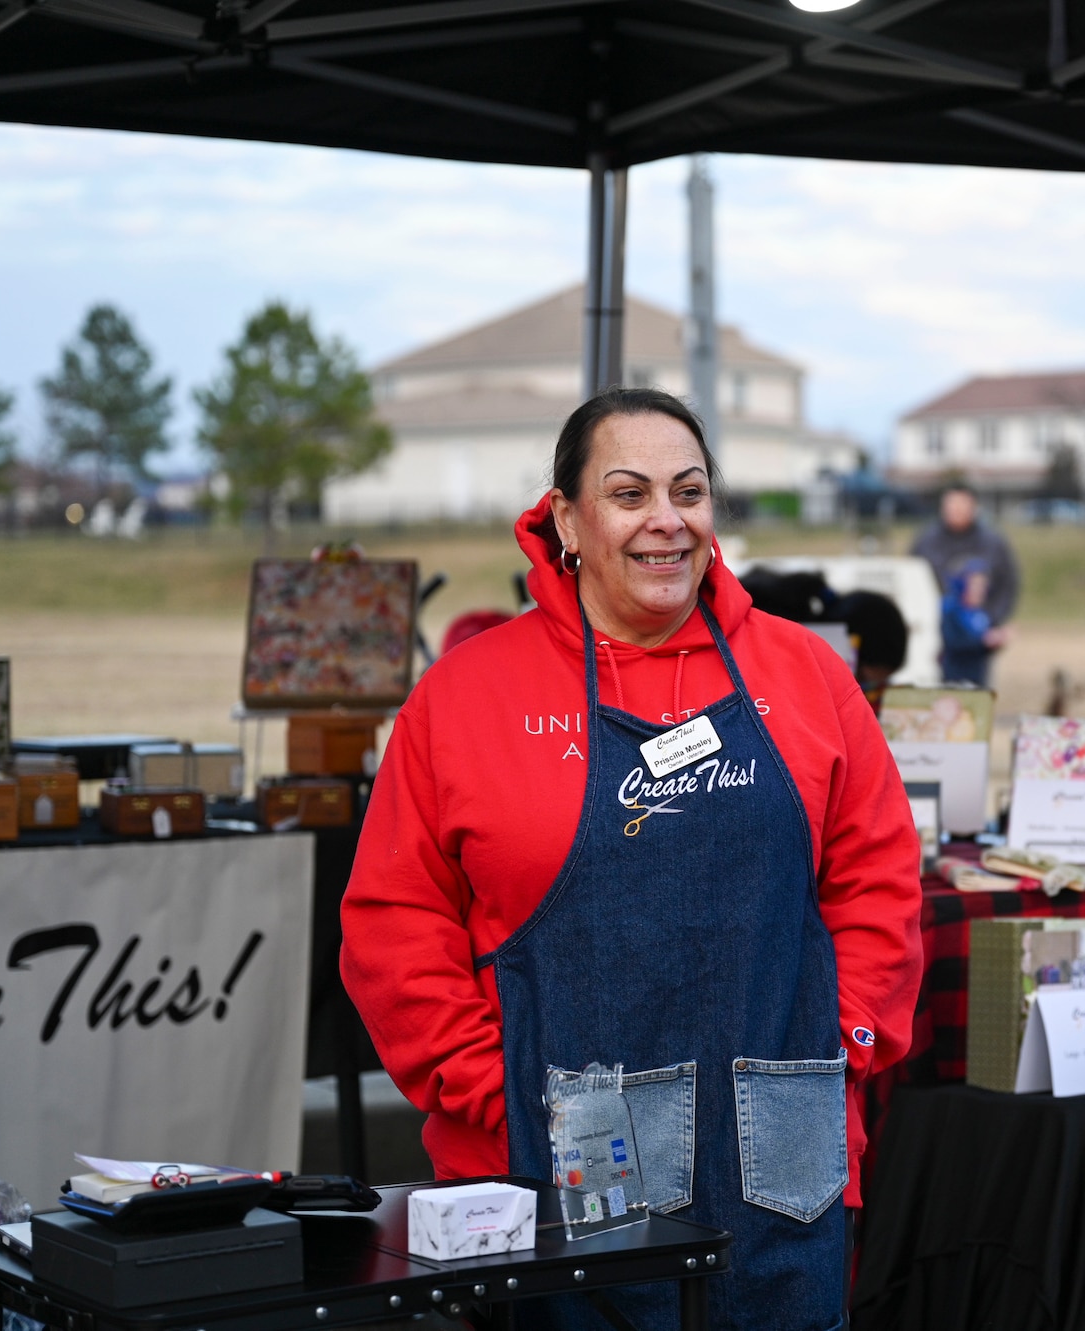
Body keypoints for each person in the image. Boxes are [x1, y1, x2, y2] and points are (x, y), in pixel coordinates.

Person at [340, 387, 924, 1331]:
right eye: (629, 492)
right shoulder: (466, 697)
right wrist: (496, 1094)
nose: (666, 520)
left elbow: (880, 882)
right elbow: (392, 925)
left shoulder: (805, 674)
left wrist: (844, 1045)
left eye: (689, 491)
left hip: (781, 1158)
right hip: (546, 1172)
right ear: (566, 518)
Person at [911, 482, 1018, 683]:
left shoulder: (992, 542)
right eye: (952, 505)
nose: (956, 510)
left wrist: (989, 619)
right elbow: (912, 582)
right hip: (932, 631)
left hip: (977, 629)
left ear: (973, 506)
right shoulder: (926, 541)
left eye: (962, 505)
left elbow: (1008, 584)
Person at [937, 558, 1003, 685]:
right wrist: (984, 640)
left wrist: (996, 641)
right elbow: (953, 642)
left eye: (983, 585)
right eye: (976, 585)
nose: (981, 590)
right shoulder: (950, 610)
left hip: (978, 678)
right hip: (955, 677)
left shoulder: (981, 614)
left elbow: (982, 650)